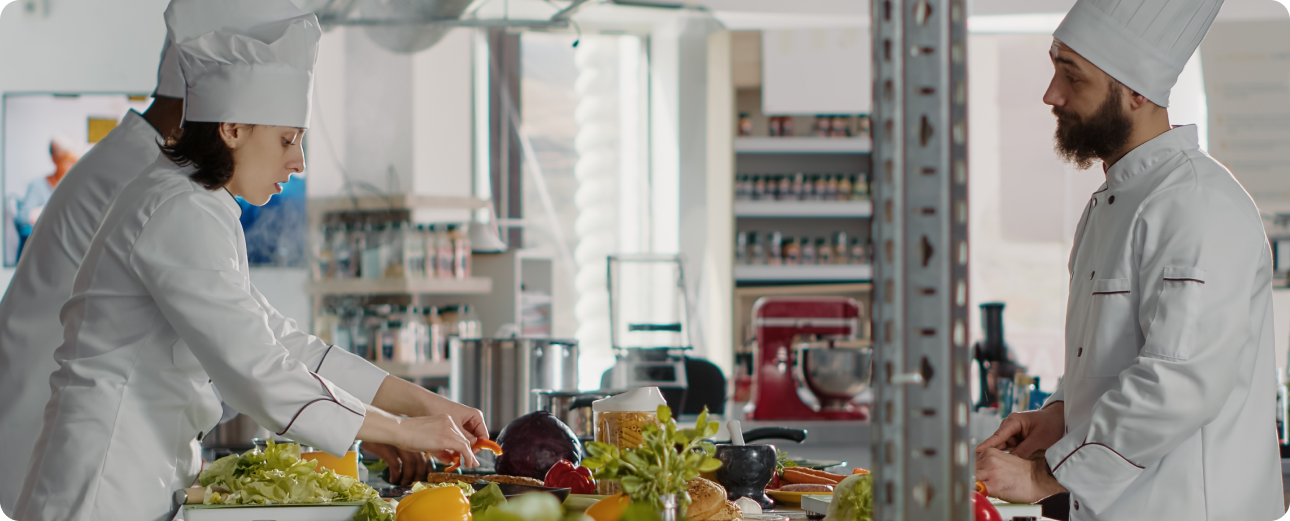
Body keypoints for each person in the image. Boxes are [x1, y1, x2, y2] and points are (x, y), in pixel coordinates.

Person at [12, 3, 483, 521]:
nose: (299, 163)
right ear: (231, 128)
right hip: (103, 486)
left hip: (134, 475)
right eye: (287, 139)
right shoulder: (179, 209)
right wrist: (397, 429)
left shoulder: (198, 202)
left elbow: (278, 339)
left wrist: (419, 405)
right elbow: (257, 371)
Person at [974, 0, 1285, 519]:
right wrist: (1061, 413)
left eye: (1071, 75)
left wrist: (1042, 475)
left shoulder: (1197, 204)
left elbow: (1177, 383)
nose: (1051, 94)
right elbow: (1110, 356)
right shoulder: (1111, 203)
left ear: (1137, 89)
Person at [12, 136, 80, 260]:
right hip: (40, 256)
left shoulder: (76, 188)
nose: (74, 167)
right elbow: (22, 219)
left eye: (76, 162)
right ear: (54, 159)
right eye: (68, 162)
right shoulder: (38, 185)